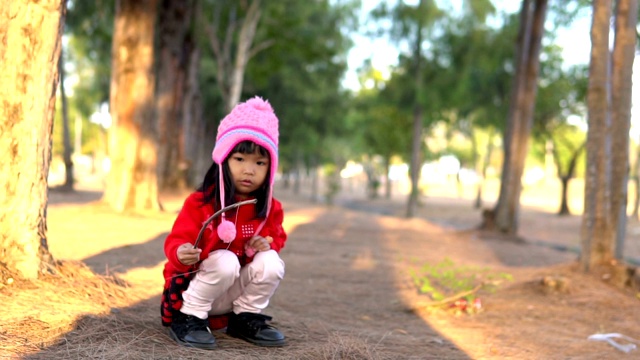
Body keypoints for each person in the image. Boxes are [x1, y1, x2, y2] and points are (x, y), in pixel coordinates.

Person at [160, 97, 287, 349]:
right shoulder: (200, 203)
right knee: (225, 259)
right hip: (194, 291)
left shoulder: (270, 208)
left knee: (272, 261)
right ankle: (189, 318)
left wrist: (266, 244)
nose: (249, 170)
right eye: (240, 159)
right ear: (224, 159)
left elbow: (277, 236)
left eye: (260, 163)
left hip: (232, 293)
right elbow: (177, 239)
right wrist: (180, 252)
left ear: (269, 168)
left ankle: (245, 316)